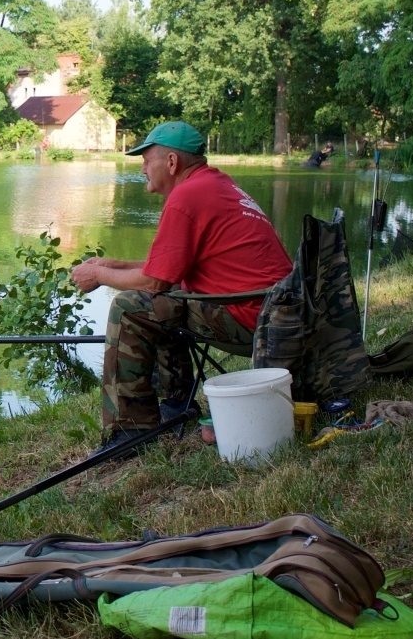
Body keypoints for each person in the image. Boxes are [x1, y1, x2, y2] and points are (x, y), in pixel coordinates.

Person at [70, 121, 294, 456]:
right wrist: (114, 264)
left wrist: (99, 276)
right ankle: (176, 405)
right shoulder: (215, 185)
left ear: (172, 162)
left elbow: (154, 282)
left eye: (147, 160)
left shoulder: (186, 197)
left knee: (131, 307)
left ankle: (130, 431)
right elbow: (167, 270)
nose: (142, 168)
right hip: (278, 314)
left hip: (253, 322)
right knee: (162, 300)